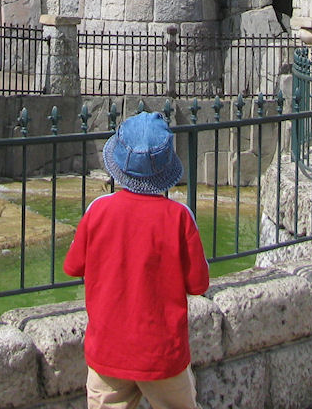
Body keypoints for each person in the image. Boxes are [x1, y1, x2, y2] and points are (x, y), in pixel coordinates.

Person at [64, 111, 210, 409]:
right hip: (163, 354)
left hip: (108, 350)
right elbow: (198, 283)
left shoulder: (97, 210)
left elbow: (73, 266)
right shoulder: (180, 217)